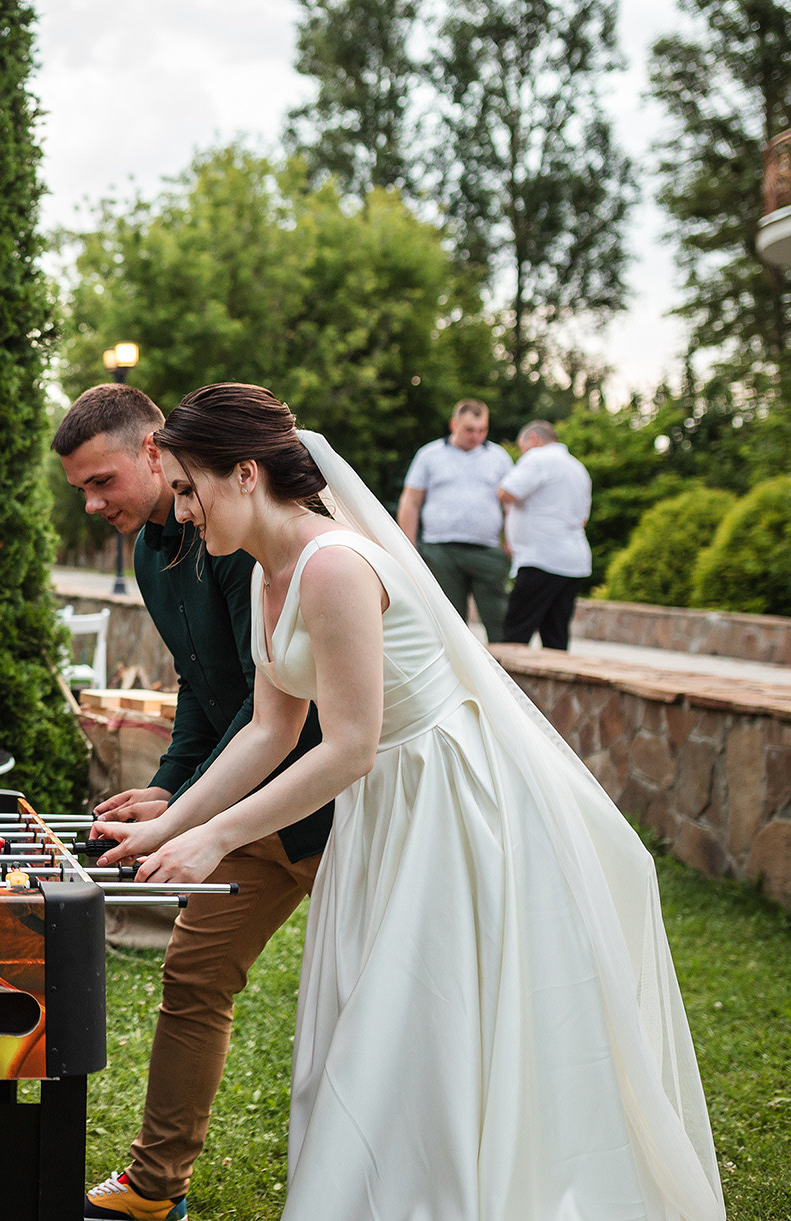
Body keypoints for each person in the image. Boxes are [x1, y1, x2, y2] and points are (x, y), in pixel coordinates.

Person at [101, 383, 723, 1221]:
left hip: (445, 803)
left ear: (245, 473)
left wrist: (216, 837)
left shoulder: (335, 566)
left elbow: (350, 743)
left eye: (187, 488)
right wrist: (171, 823)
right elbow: (268, 732)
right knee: (368, 1021)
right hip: (377, 811)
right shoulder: (262, 575)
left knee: (420, 1026)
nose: (179, 512)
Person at [53, 383, 328, 1221]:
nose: (95, 502)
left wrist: (194, 816)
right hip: (246, 796)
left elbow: (273, 706)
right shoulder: (147, 552)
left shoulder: (251, 536)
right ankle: (154, 1184)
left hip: (325, 791)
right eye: (80, 492)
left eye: (102, 481)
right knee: (194, 972)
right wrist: (169, 786)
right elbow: (205, 690)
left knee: (376, 986)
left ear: (152, 451)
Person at [398, 399, 512, 640]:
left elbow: (511, 507)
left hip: (488, 551)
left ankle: (503, 675)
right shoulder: (429, 455)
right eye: (470, 429)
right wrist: (408, 546)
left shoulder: (499, 457)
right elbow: (411, 501)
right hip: (440, 550)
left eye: (482, 430)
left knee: (499, 621)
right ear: (453, 424)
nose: (476, 436)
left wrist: (510, 543)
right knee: (447, 623)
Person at [497, 419, 592, 650]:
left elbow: (505, 492)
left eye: (522, 448)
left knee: (515, 635)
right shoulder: (578, 467)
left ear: (533, 439)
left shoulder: (538, 458)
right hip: (573, 561)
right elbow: (583, 519)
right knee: (555, 637)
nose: (522, 454)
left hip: (541, 558)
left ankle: (507, 686)